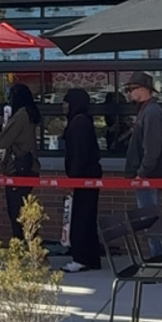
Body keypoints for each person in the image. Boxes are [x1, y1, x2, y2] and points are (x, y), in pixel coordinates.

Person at [0, 81, 40, 236]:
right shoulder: (31, 114)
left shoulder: (21, 115)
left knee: (16, 213)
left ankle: (20, 249)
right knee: (25, 212)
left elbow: (2, 140)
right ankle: (28, 245)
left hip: (18, 170)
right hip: (30, 167)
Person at [62, 87, 102, 272]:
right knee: (88, 218)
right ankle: (92, 257)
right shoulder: (84, 121)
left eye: (66, 102)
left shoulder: (78, 124)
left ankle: (81, 257)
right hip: (90, 175)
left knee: (80, 218)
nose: (64, 106)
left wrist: (73, 179)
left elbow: (78, 154)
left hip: (83, 177)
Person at [123, 69, 162, 211]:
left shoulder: (151, 112)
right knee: (148, 216)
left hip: (149, 177)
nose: (129, 93)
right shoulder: (146, 111)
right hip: (147, 175)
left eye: (131, 89)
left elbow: (152, 147)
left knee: (149, 218)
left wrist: (142, 173)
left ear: (143, 89)